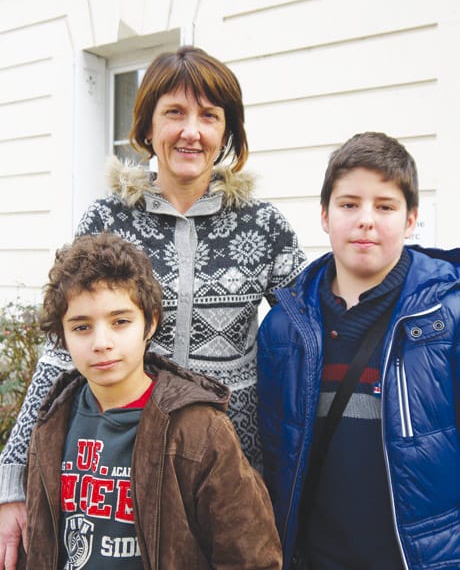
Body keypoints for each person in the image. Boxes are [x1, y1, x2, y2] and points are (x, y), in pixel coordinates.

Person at [0, 46, 307, 567]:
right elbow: (59, 351)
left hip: (229, 459)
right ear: (146, 127)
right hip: (124, 463)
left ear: (227, 133)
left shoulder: (264, 225)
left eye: (209, 116)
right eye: (175, 113)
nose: (192, 131)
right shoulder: (107, 217)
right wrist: (13, 478)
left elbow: (311, 332)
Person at [257, 131, 460, 569]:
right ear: (325, 216)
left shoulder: (446, 320)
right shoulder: (281, 329)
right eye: (349, 204)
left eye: (385, 206)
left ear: (411, 220)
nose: (366, 219)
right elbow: (274, 458)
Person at [18, 232, 282, 569]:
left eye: (121, 322)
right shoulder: (53, 422)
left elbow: (252, 557)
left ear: (150, 322)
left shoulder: (200, 430)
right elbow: (42, 546)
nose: (102, 342)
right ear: (63, 336)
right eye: (82, 327)